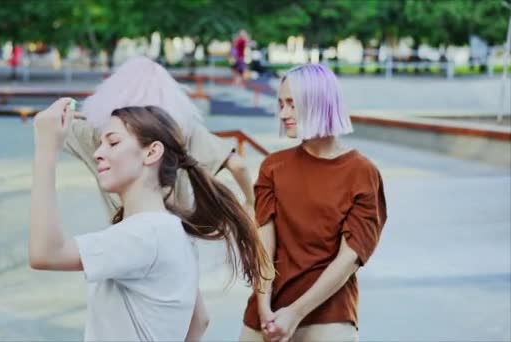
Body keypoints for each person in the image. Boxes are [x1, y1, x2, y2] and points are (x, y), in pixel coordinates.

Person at [30, 101, 273, 341]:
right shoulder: (169, 229)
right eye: (101, 143)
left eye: (113, 142)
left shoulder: (144, 233)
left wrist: (46, 150)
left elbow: (46, 253)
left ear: (152, 152)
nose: (98, 153)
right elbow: (199, 320)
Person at [63, 56, 257, 340]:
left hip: (124, 239)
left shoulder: (102, 134)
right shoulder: (178, 130)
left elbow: (55, 124)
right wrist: (251, 204)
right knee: (195, 318)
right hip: (171, 240)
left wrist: (74, 108)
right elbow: (238, 165)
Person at [240, 63, 387, 342]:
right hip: (267, 311)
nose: (283, 114)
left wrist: (295, 313)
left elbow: (348, 260)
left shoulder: (362, 173)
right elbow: (264, 248)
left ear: (318, 103)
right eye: (281, 104)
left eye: (292, 105)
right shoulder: (273, 167)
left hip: (329, 312)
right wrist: (263, 307)